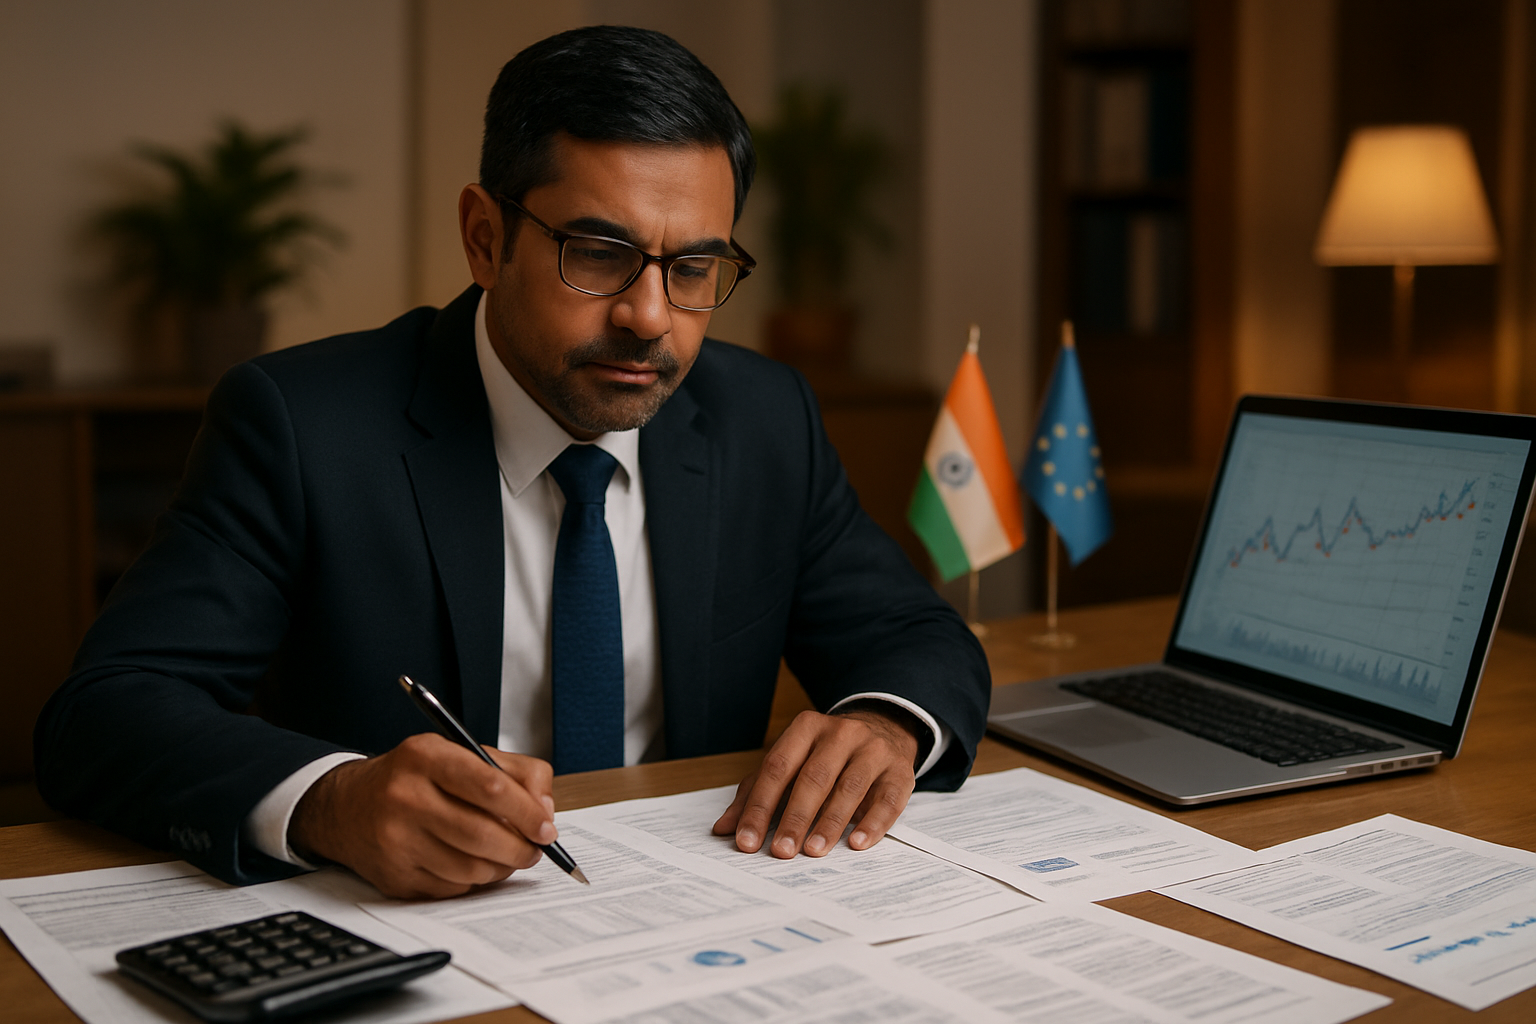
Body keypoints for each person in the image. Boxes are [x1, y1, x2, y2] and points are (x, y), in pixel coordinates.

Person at [34, 26, 989, 900]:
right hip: (412, 926)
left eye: (693, 270)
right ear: (485, 239)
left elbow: (916, 636)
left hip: (702, 914)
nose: (650, 316)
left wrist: (884, 722)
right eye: (599, 253)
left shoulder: (761, 419)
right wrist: (335, 800)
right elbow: (105, 714)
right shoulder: (301, 425)